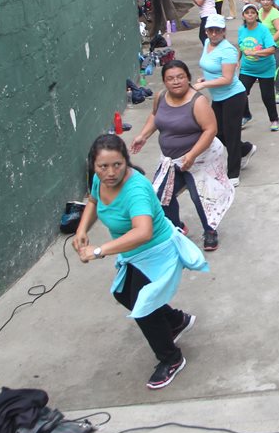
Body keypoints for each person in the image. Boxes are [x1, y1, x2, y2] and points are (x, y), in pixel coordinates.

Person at [72, 134, 209, 389]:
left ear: (126, 161)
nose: (110, 172)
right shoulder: (98, 180)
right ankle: (176, 321)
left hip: (157, 251)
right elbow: (93, 201)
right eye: (103, 167)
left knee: (143, 307)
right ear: (94, 165)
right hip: (132, 252)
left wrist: (99, 250)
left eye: (117, 165)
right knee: (124, 295)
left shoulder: (136, 190)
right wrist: (82, 229)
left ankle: (172, 358)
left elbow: (143, 232)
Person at [130, 59, 235, 252]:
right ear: (164, 82)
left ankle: (210, 231)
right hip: (172, 160)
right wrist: (143, 136)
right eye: (170, 78)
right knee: (160, 196)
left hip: (201, 158)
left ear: (188, 78)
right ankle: (176, 226)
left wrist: (193, 155)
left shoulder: (198, 101)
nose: (176, 81)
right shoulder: (160, 97)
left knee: (201, 197)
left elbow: (210, 130)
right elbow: (155, 116)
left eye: (180, 77)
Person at [193, 15, 256, 187]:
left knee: (231, 134)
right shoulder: (207, 44)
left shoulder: (228, 50)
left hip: (233, 97)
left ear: (224, 32)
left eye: (217, 30)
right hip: (218, 97)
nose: (214, 34)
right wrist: (203, 78)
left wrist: (204, 85)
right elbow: (211, 67)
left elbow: (227, 78)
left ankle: (233, 173)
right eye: (210, 30)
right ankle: (246, 149)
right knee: (218, 133)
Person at [236, 2, 279, 132]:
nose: (250, 15)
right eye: (247, 13)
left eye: (253, 13)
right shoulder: (241, 29)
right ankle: (246, 115)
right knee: (240, 93)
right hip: (247, 68)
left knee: (267, 96)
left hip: (265, 68)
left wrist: (255, 52)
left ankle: (274, 119)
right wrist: (237, 60)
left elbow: (272, 49)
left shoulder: (263, 29)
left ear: (257, 15)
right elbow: (241, 45)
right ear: (243, 16)